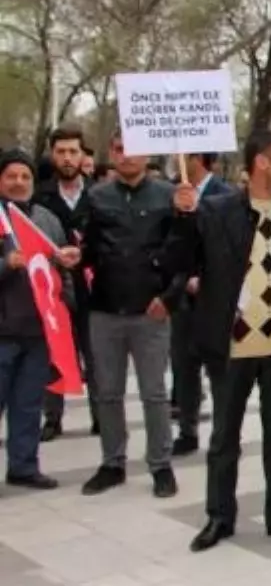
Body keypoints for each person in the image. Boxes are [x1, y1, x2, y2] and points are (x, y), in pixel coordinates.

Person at [168, 130, 271, 553]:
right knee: (224, 439)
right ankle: (219, 516)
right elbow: (180, 262)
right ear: (260, 162)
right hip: (229, 347)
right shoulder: (215, 212)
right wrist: (182, 218)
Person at [79, 131, 182, 499]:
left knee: (154, 394)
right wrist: (76, 258)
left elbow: (182, 256)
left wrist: (168, 298)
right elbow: (87, 249)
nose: (127, 156)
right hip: (105, 309)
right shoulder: (96, 197)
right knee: (107, 393)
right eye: (120, 149)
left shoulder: (170, 196)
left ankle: (161, 465)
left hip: (150, 311)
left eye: (135, 149)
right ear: (111, 152)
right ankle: (112, 463)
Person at [0, 149, 78, 490]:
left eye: (25, 177)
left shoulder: (46, 220)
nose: (18, 182)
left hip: (39, 331)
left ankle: (24, 466)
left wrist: (67, 269)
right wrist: (6, 265)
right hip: (2, 331)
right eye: (11, 176)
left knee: (29, 404)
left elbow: (62, 268)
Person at [169, 153, 235, 456]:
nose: (175, 157)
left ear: (199, 158)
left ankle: (225, 432)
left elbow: (230, 247)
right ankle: (187, 429)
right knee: (184, 367)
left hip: (217, 302)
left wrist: (206, 277)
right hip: (182, 299)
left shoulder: (228, 196)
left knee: (220, 372)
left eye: (183, 154)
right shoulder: (173, 193)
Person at [33, 126, 97, 441]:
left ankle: (102, 414)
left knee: (97, 355)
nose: (68, 158)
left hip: (95, 290)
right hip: (54, 290)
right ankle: (52, 417)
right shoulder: (39, 197)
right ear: (52, 154)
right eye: (61, 152)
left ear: (83, 154)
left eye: (73, 151)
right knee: (54, 355)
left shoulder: (99, 194)